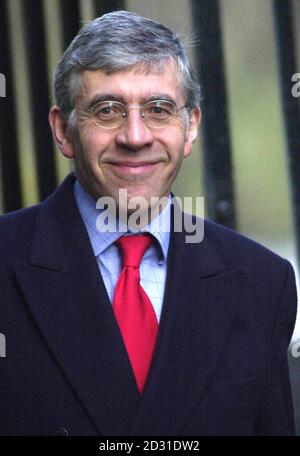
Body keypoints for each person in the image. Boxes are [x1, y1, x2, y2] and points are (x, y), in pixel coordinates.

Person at [0, 10, 297, 436]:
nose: (135, 136)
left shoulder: (264, 283)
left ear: (190, 127)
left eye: (159, 109)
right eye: (107, 110)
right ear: (63, 130)